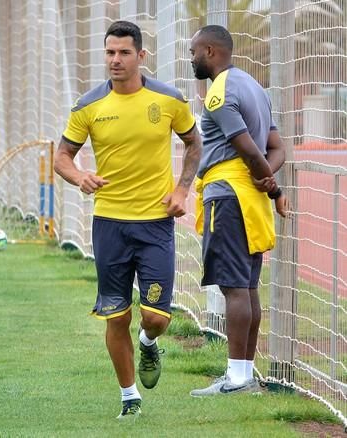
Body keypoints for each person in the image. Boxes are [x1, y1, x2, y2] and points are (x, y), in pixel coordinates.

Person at [53, 20, 202, 419]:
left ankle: (150, 344)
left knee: (154, 316)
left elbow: (193, 143)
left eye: (123, 53)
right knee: (115, 313)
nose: (115, 60)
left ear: (141, 55)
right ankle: (129, 396)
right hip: (109, 225)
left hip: (155, 224)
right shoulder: (88, 106)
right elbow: (62, 157)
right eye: (109, 53)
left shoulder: (168, 99)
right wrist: (80, 175)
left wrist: (182, 189)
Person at [188, 25, 288, 397]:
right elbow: (276, 149)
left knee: (234, 288)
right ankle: (244, 373)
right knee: (247, 287)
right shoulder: (255, 88)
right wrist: (267, 181)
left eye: (194, 52)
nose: (192, 59)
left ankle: (237, 379)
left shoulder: (219, 93)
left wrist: (273, 186)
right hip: (250, 197)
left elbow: (247, 148)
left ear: (211, 51)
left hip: (228, 195)